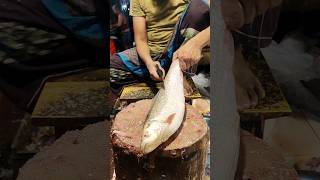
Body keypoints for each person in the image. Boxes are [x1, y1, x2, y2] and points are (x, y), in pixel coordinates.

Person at [110, 0, 210, 88]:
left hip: (180, 49)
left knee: (198, 6)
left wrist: (196, 43)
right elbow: (140, 39)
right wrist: (149, 63)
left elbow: (222, 19)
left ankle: (185, 71)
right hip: (153, 54)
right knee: (113, 70)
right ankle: (159, 76)